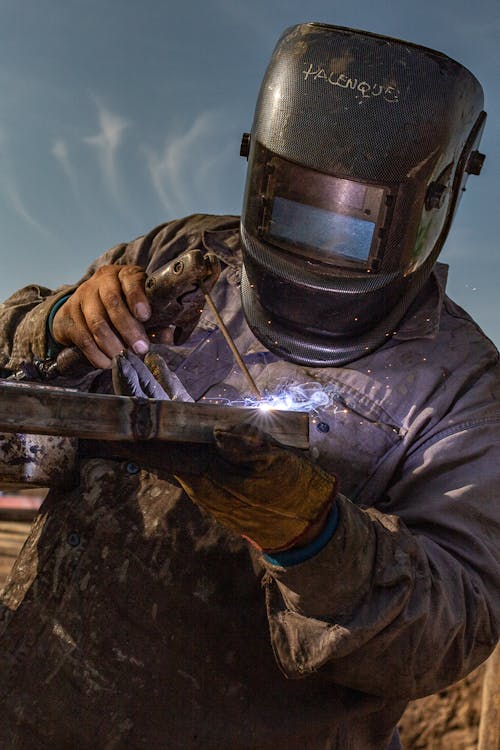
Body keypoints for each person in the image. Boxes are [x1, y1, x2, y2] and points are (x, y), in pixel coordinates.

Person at [0, 22, 498, 750]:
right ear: (258, 163)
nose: (319, 242)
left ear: (433, 201)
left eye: (354, 223)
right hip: (40, 702)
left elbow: (456, 628)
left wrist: (314, 537)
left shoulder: (463, 391)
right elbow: (21, 378)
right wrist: (54, 324)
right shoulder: (179, 251)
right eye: (294, 202)